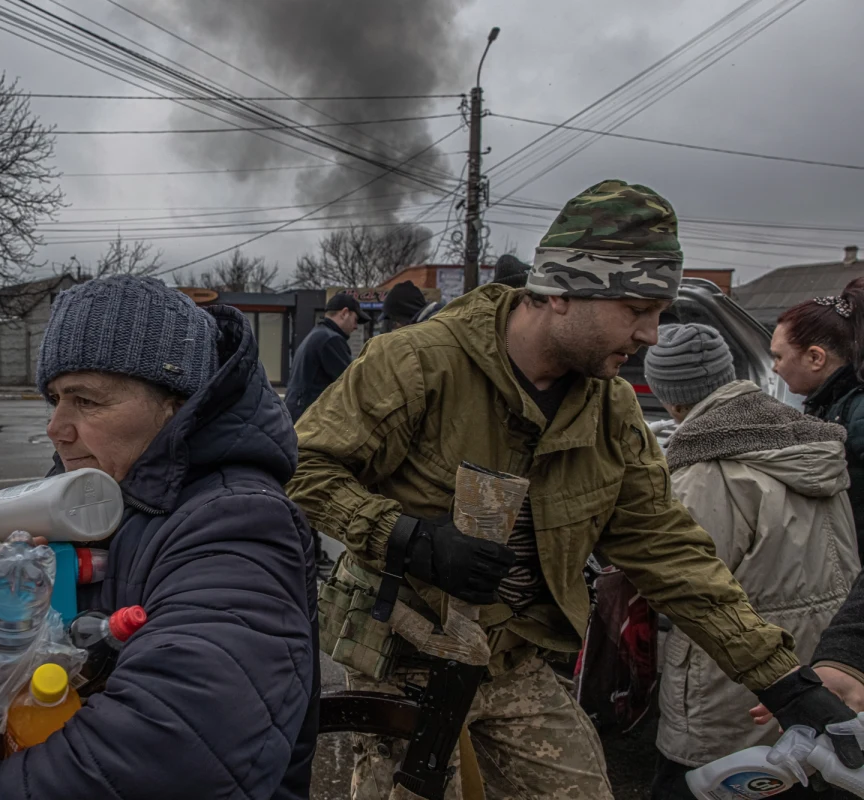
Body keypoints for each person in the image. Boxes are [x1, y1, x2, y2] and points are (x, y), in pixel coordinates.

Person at [287, 179, 864, 799]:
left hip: (513, 663)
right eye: (637, 310)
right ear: (561, 293)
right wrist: (405, 537)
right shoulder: (418, 364)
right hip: (401, 661)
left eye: (658, 313)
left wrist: (785, 683)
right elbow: (299, 467)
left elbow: (672, 554)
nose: (651, 334)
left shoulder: (610, 410)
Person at [0, 275, 318, 799]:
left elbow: (178, 752)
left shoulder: (239, 522)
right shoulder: (102, 493)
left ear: (175, 404)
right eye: (55, 398)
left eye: (86, 400)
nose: (57, 426)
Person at [644, 323, 859, 800]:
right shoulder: (810, 441)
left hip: (736, 681)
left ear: (672, 398)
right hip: (822, 664)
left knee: (706, 785)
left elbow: (686, 581)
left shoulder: (705, 470)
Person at [770, 278, 864, 560]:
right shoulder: (830, 404)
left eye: (778, 357)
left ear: (815, 358)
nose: (773, 368)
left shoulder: (857, 412)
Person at [284, 290, 367, 422]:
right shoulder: (331, 340)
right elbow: (351, 382)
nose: (356, 326)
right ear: (345, 313)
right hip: (311, 419)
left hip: (298, 414)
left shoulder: (317, 334)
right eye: (355, 320)